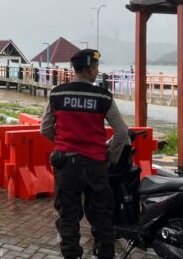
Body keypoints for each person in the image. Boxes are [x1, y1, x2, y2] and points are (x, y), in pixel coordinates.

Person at [40, 49, 128, 259]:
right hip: (96, 164)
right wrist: (110, 155)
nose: (97, 71)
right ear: (88, 70)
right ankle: (105, 254)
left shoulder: (58, 94)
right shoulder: (102, 96)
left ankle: (71, 255)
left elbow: (45, 128)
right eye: (96, 68)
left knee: (68, 216)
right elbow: (122, 132)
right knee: (101, 217)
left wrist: (62, 145)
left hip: (66, 164)